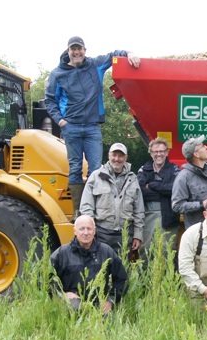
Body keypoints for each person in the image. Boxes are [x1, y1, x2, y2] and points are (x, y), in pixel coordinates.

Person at [45, 36, 140, 216]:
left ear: (84, 50)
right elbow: (50, 101)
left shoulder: (95, 65)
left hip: (92, 126)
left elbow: (113, 55)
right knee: (75, 168)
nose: (76, 52)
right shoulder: (57, 74)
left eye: (79, 49)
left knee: (95, 168)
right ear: (68, 51)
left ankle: (93, 209)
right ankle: (78, 212)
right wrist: (61, 121)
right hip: (71, 126)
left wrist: (129, 53)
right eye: (73, 49)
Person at [50, 215, 128, 315]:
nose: (86, 233)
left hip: (99, 301)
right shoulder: (62, 253)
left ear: (94, 231)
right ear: (75, 231)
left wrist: (111, 300)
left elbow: (122, 279)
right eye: (82, 229)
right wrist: (62, 295)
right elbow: (46, 279)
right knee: (75, 307)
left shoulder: (106, 252)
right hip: (73, 303)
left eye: (89, 229)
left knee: (106, 319)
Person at [79, 142, 144, 256]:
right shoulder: (96, 176)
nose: (117, 159)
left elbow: (139, 211)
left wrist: (137, 235)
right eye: (114, 155)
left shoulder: (133, 179)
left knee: (123, 270)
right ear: (109, 156)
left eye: (120, 156)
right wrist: (90, 232)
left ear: (125, 158)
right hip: (101, 233)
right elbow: (86, 207)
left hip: (125, 235)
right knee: (100, 271)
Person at [137, 137, 182, 257]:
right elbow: (140, 191)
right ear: (151, 153)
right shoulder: (143, 169)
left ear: (167, 152)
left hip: (169, 216)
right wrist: (164, 191)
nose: (159, 154)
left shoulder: (175, 169)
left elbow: (175, 189)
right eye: (155, 151)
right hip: (148, 215)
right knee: (146, 249)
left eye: (162, 151)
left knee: (167, 250)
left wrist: (152, 185)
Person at [172, 135, 207, 228]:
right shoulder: (183, 177)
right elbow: (177, 206)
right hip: (198, 232)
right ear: (196, 154)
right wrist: (201, 204)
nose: (206, 147)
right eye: (202, 146)